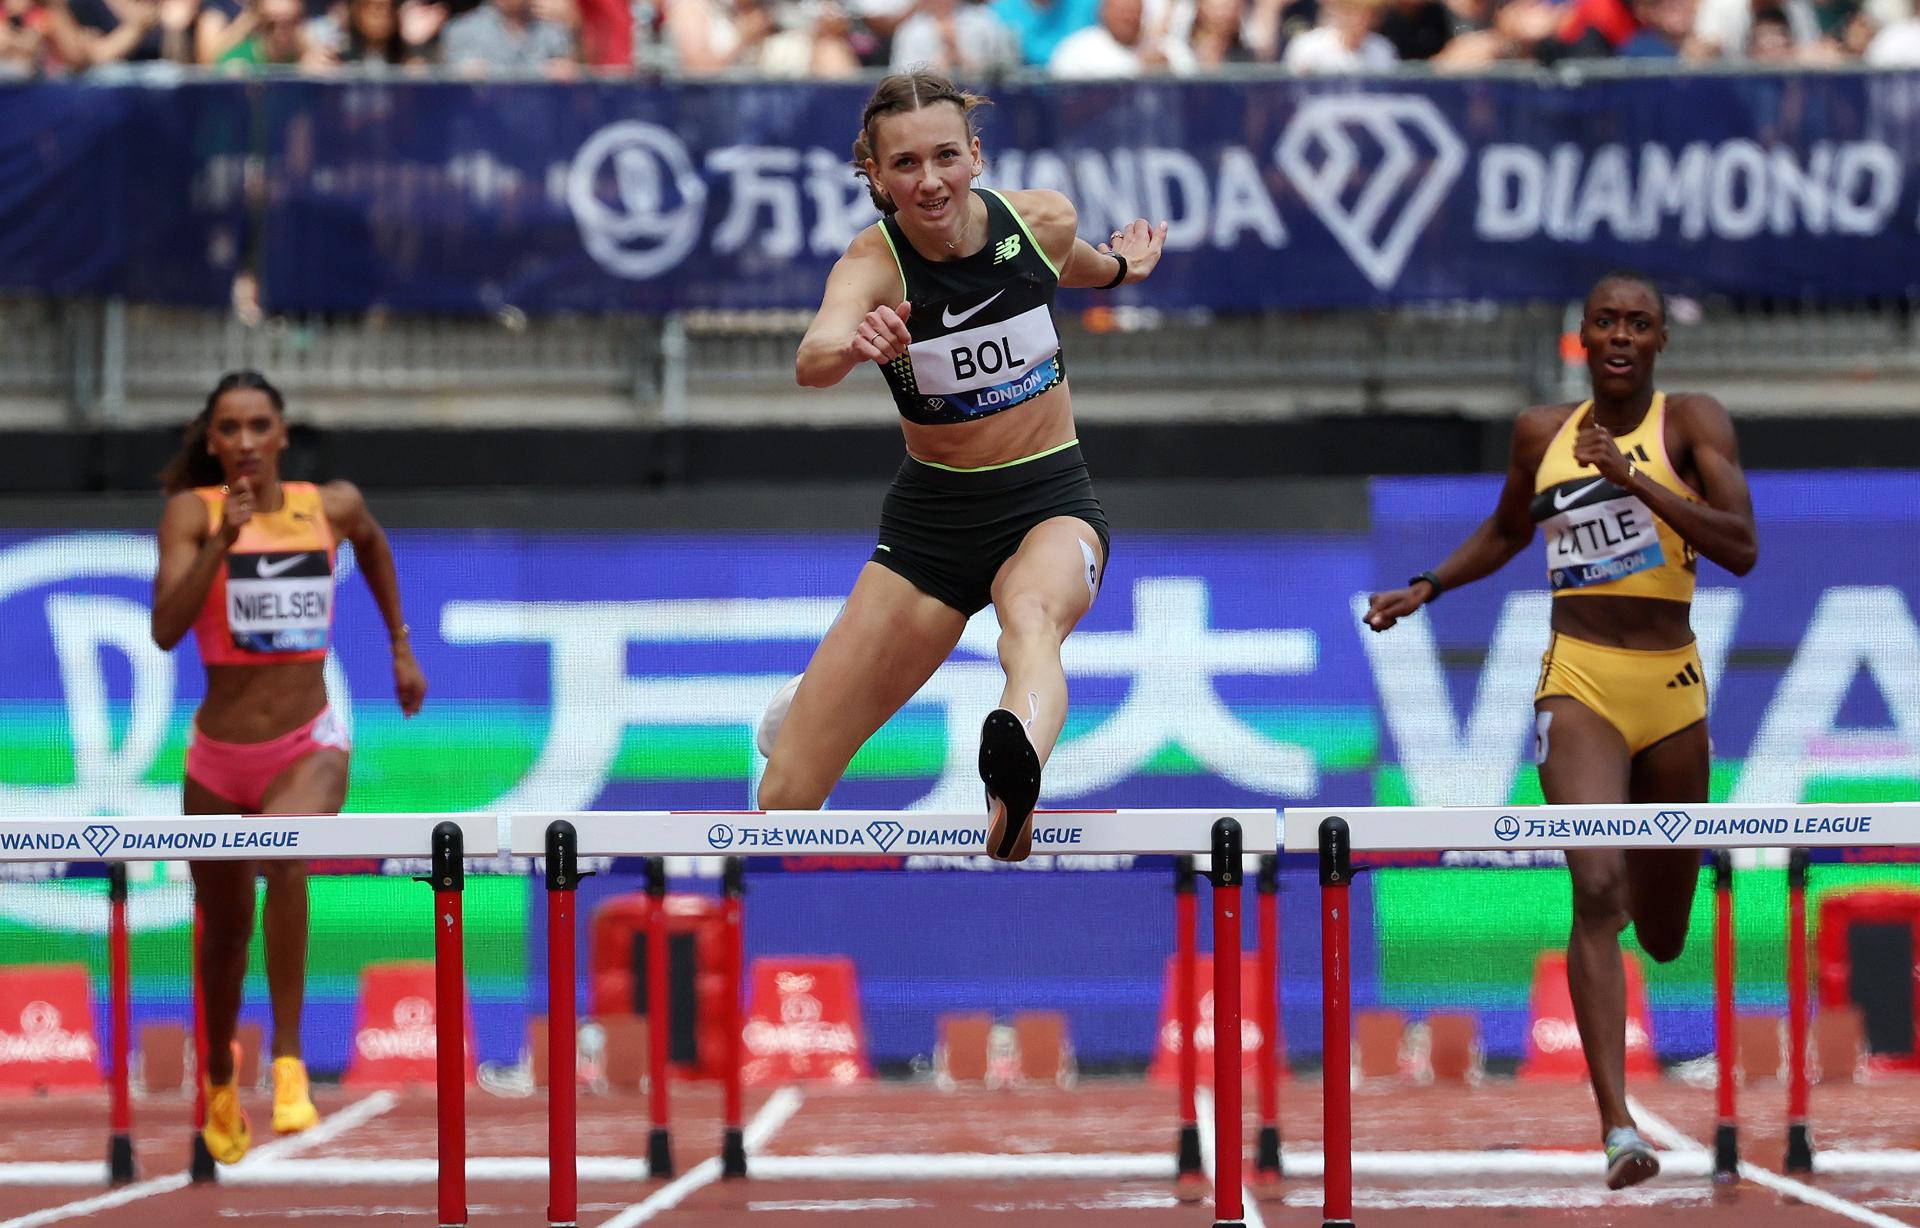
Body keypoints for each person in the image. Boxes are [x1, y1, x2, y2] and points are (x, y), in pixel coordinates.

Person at [1363, 272, 1757, 1191]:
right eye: (1605, 323)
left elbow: (1740, 546)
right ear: (1581, 337)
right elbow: (1507, 530)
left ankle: (1633, 1043)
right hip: (1577, 679)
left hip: (1674, 686)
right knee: (1598, 886)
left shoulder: (1694, 423)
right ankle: (1618, 1125)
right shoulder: (1541, 433)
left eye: (1639, 324)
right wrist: (1429, 585)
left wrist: (1636, 481)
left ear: (1660, 341)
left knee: (1661, 930)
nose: (1621, 336)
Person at [761, 70, 1165, 861]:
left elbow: (1068, 264)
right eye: (905, 164)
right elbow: (811, 359)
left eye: (945, 156)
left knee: (1033, 621)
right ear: (875, 177)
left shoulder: (1040, 218)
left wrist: (1123, 271)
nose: (930, 180)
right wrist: (855, 344)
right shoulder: (874, 265)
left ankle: (1012, 790)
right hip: (933, 530)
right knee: (786, 802)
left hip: (1050, 497)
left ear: (975, 156)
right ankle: (803, 709)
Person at [151, 371, 426, 1166]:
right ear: (211, 440)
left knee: (284, 846)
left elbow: (372, 543)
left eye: (258, 426)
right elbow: (167, 630)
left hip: (308, 743)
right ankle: (218, 1082)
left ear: (281, 434)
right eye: (229, 428)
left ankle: (291, 1060)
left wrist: (400, 645)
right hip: (217, 758)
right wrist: (221, 545)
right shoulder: (190, 515)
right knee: (225, 933)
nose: (243, 443)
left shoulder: (327, 505)